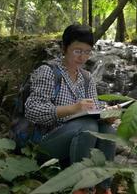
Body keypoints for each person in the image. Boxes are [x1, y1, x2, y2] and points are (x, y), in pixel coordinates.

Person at [25, 24, 116, 194]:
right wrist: (73, 109)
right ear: (64, 48)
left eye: (87, 52)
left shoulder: (87, 78)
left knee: (108, 130)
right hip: (46, 143)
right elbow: (32, 110)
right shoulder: (48, 71)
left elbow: (93, 111)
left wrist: (106, 115)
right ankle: (80, 189)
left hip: (79, 142)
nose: (82, 57)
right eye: (77, 51)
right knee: (87, 127)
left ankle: (103, 188)